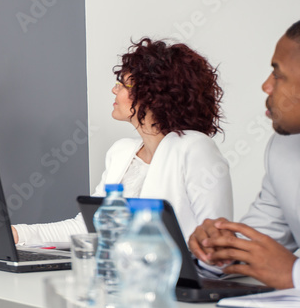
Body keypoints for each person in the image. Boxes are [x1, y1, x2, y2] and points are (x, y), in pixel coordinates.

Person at [13, 38, 231, 245]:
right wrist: (19, 233)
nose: (114, 90)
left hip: (172, 280)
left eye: (122, 85)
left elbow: (216, 241)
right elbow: (91, 227)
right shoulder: (121, 152)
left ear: (152, 95)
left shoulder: (195, 148)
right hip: (122, 277)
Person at [189, 20, 300, 289]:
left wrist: (293, 275)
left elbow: (284, 270)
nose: (266, 86)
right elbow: (258, 242)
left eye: (278, 74)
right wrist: (215, 247)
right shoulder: (282, 151)